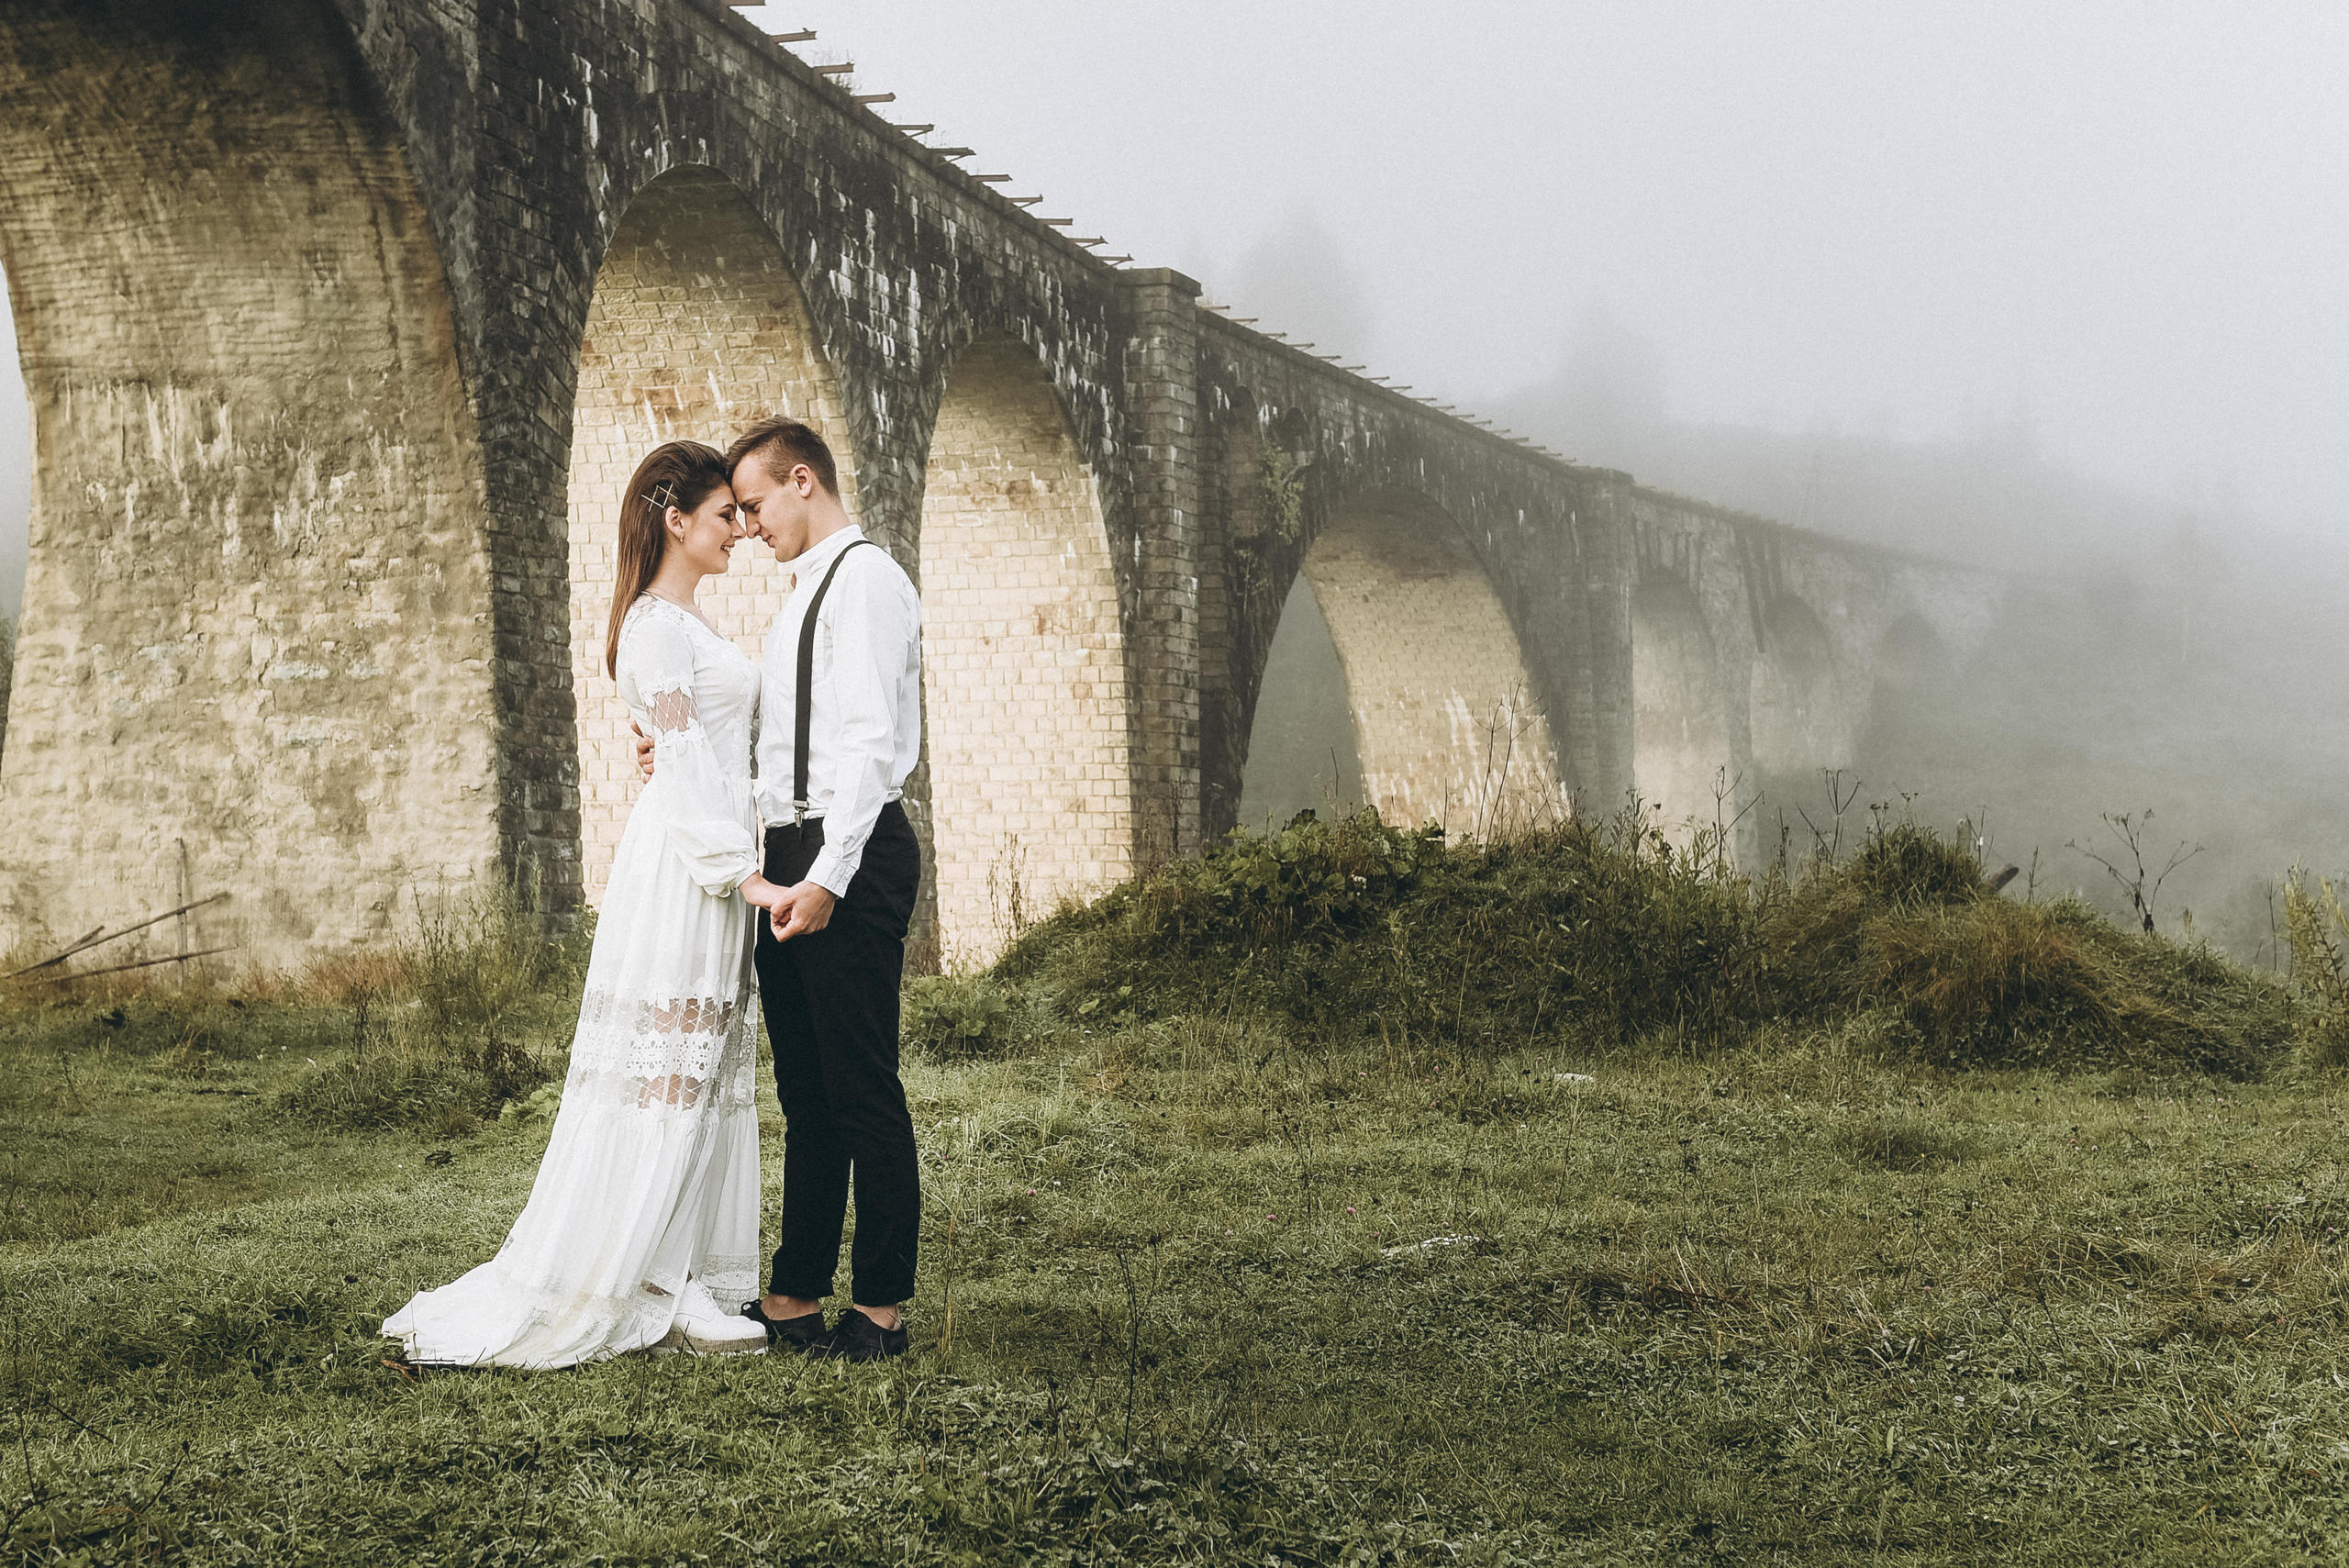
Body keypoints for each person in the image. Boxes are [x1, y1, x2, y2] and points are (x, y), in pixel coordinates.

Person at [383, 440, 790, 1369]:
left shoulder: (689, 624)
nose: (740, 527)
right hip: (692, 866)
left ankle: (677, 1270)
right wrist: (744, 871)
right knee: (669, 1065)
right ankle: (646, 1278)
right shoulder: (653, 625)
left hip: (709, 852)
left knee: (701, 1063)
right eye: (725, 511)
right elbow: (683, 761)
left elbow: (706, 744)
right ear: (674, 518)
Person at [637, 417, 924, 1362]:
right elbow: (771, 734)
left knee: (861, 1083)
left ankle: (880, 1306)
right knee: (806, 1091)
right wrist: (666, 742)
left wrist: (828, 879)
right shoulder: (798, 595)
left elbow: (870, 747)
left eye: (755, 504)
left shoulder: (869, 581)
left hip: (851, 848)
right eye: (739, 513)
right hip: (790, 844)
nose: (749, 525)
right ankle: (794, 1291)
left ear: (804, 480)